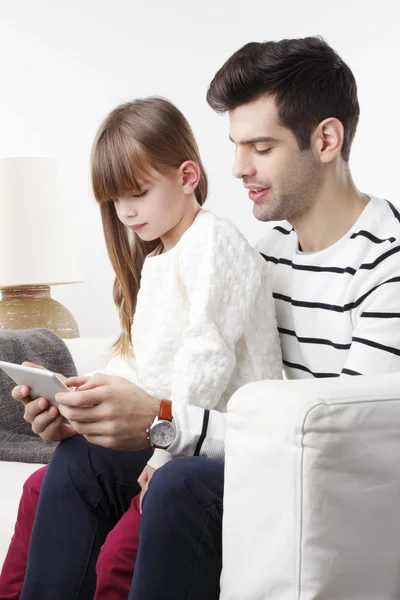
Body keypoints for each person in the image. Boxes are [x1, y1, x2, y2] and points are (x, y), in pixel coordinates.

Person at [3, 34, 400, 600]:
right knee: (78, 462)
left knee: (181, 483)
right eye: (236, 145)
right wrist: (94, 419)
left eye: (261, 147)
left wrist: (162, 424)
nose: (237, 168)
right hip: (241, 445)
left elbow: (342, 449)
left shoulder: (386, 268)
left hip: (310, 479)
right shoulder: (265, 253)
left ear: (326, 139)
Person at [0, 96, 282, 600]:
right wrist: (79, 403)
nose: (126, 211)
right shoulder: (157, 258)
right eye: (115, 200)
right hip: (167, 435)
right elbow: (136, 363)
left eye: (138, 193)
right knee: (41, 487)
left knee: (118, 556)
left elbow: (205, 359)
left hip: (211, 441)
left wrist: (158, 456)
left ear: (187, 176)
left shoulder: (213, 244)